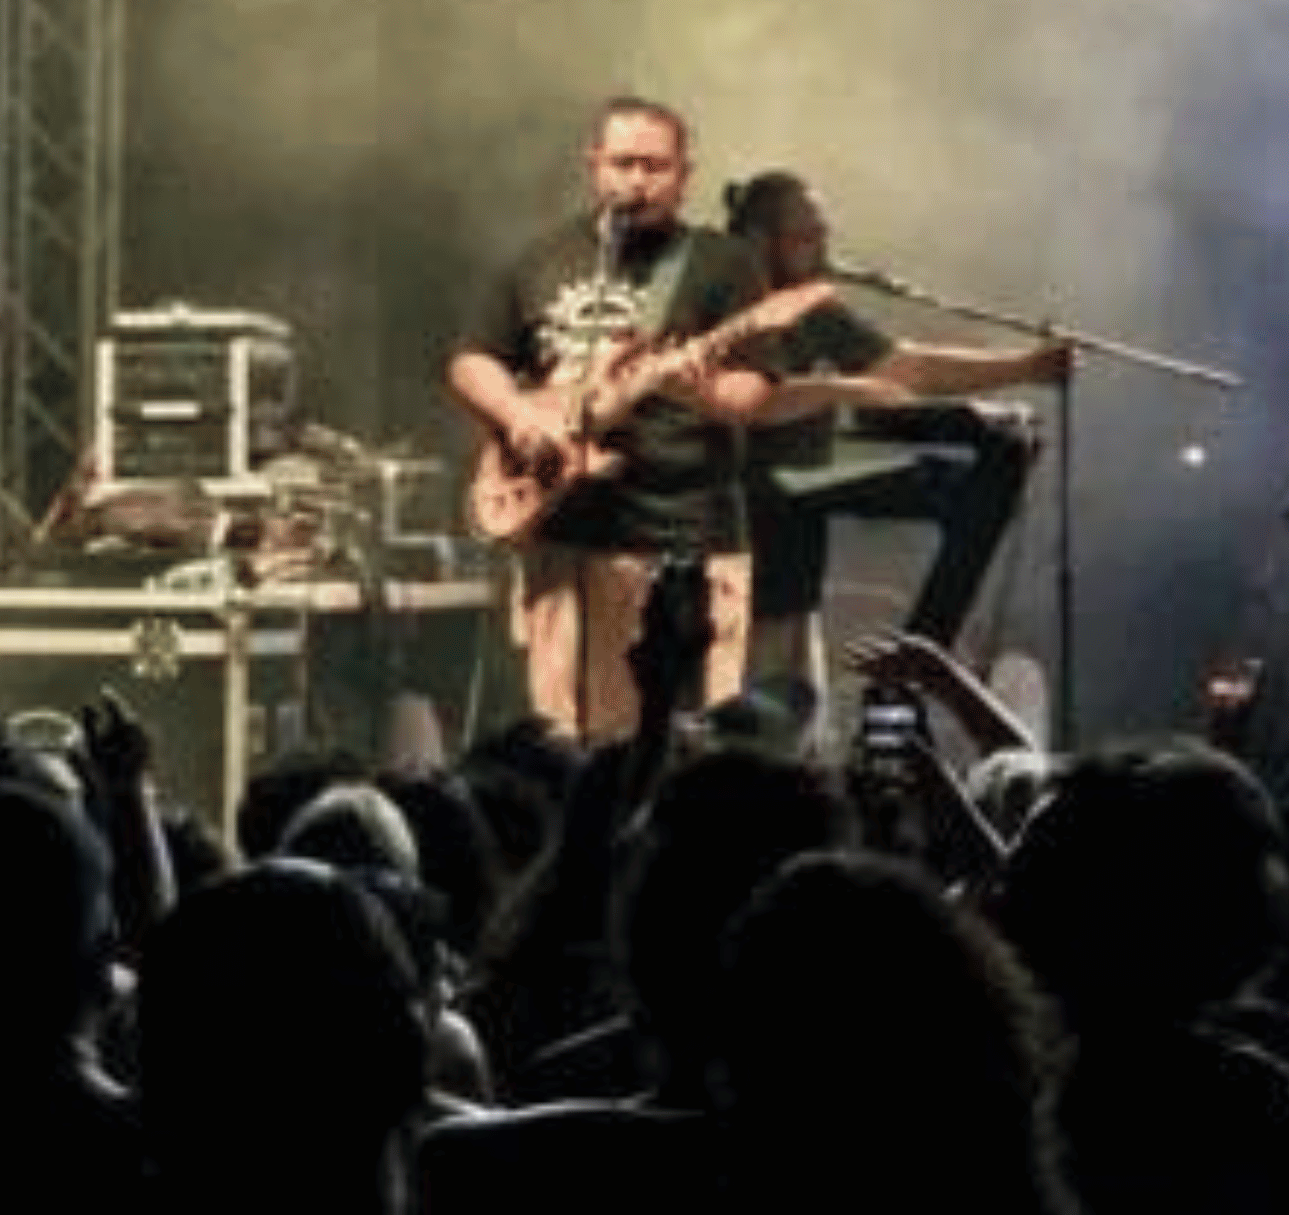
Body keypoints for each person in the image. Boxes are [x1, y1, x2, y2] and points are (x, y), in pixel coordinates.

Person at [445, 95, 781, 740]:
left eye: (657, 167)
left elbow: (755, 391)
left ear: (686, 175)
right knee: (571, 742)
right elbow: (472, 360)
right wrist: (519, 418)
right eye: (624, 164)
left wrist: (697, 393)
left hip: (689, 536)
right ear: (594, 166)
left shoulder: (723, 265)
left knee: (695, 745)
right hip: (566, 530)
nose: (638, 181)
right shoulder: (540, 259)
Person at [716, 168, 1074, 722]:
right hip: (732, 553)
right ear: (759, 241)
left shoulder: (808, 308)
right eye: (808, 237)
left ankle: (916, 665)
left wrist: (1025, 367)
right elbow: (748, 405)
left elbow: (905, 368)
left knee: (993, 456)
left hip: (791, 553)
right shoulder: (711, 299)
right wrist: (841, 391)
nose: (824, 250)